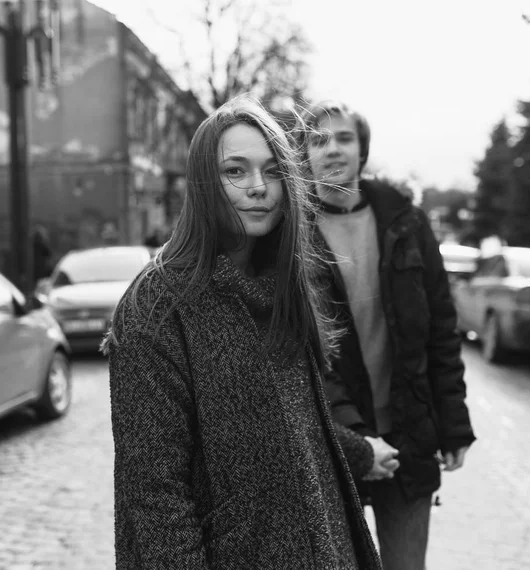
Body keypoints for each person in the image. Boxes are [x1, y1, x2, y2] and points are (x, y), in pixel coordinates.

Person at [102, 96, 382, 570]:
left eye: (273, 172)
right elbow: (154, 496)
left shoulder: (280, 284)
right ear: (204, 183)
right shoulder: (158, 305)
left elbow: (296, 430)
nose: (258, 188)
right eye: (236, 171)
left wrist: (361, 451)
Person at [300, 99, 477, 570]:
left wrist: (454, 425)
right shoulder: (290, 234)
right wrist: (356, 439)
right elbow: (301, 354)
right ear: (304, 154)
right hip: (333, 444)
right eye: (319, 139)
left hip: (409, 438)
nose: (332, 149)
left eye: (343, 137)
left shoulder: (406, 222)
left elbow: (441, 329)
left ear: (362, 150)